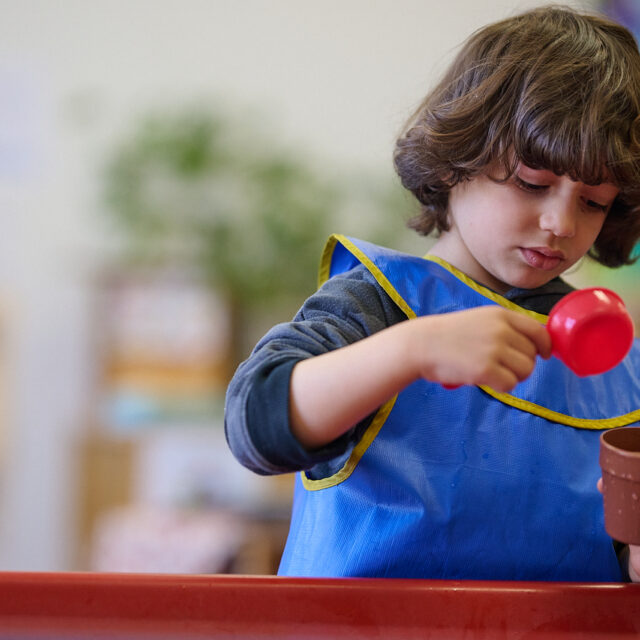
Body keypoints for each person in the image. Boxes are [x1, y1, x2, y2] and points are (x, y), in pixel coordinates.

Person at [225, 5, 640, 581]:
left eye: (593, 201)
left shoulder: (616, 360)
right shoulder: (375, 307)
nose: (561, 224)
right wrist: (411, 349)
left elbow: (606, 540)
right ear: (454, 164)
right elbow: (254, 425)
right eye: (532, 183)